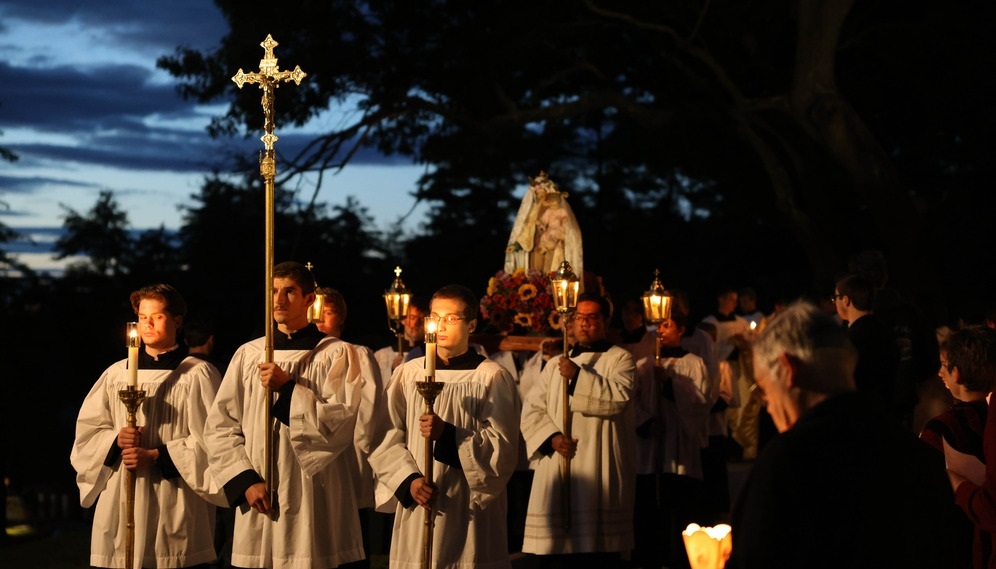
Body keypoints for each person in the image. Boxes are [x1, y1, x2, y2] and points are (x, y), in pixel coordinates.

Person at [728, 301, 958, 568]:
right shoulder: (919, 456)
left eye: (764, 391)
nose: (768, 408)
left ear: (788, 369)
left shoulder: (787, 462)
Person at [204, 262, 365, 569]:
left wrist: (289, 389)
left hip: (315, 494)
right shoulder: (249, 354)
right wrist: (245, 480)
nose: (278, 300)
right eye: (273, 291)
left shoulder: (336, 353)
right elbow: (220, 426)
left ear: (309, 299)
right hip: (259, 491)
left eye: (289, 291)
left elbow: (342, 421)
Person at [71, 284, 224, 568]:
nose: (148, 324)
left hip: (173, 496)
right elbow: (88, 434)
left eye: (157, 316)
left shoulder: (197, 374)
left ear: (177, 322)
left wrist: (156, 456)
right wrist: (115, 440)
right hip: (121, 494)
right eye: (142, 317)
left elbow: (214, 442)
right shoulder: (115, 374)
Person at [368, 284, 521, 569]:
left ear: (472, 324)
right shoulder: (407, 373)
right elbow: (384, 435)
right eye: (436, 317)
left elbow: (504, 447)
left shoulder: (491, 377)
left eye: (451, 318)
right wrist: (408, 480)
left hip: (467, 506)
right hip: (419, 498)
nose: (441, 325)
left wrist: (448, 435)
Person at [520, 293, 637, 567]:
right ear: (570, 323)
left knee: (597, 552)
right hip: (559, 463)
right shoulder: (553, 365)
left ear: (606, 321)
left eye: (592, 317)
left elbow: (617, 399)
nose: (584, 323)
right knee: (557, 550)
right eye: (579, 317)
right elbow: (532, 410)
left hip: (601, 464)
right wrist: (552, 438)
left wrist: (577, 377)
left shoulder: (621, 359)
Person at [632, 307, 713, 569]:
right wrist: (643, 421)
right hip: (650, 447)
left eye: (668, 325)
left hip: (679, 449)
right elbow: (630, 402)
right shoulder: (643, 366)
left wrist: (668, 384)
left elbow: (700, 404)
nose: (662, 331)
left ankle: (678, 558)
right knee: (648, 510)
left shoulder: (694, 363)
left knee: (678, 508)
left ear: (681, 330)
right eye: (659, 326)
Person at [316, 286, 390, 569]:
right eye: (315, 312)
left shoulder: (357, 354)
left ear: (341, 321)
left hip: (346, 458)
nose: (319, 320)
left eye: (327, 313)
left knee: (349, 541)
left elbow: (368, 411)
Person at [920, 327, 996, 568]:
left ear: (958, 373)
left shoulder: (940, 430)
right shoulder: (988, 412)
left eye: (944, 365)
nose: (940, 372)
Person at [833, 273, 900, 418]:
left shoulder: (850, 341)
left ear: (845, 300)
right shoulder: (885, 330)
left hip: (863, 417)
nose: (834, 303)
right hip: (889, 413)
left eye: (835, 298)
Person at [505, 171, 583, 280]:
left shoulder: (554, 208)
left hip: (553, 246)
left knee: (549, 272)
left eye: (541, 192)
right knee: (535, 274)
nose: (539, 195)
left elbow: (567, 226)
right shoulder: (532, 209)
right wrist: (516, 244)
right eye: (537, 193)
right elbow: (525, 228)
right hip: (534, 247)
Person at [374, 301, 427, 380]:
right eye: (412, 317)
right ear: (403, 320)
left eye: (422, 319)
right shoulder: (382, 355)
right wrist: (392, 370)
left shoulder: (431, 356)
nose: (416, 323)